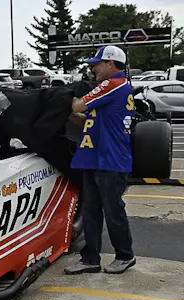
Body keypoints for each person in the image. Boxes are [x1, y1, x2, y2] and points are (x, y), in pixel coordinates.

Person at [64, 45, 136, 275]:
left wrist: (62, 99)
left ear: (111, 64)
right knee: (90, 211)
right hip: (94, 157)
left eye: (97, 64)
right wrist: (67, 113)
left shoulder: (112, 84)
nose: (93, 68)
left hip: (110, 159)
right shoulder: (112, 89)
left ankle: (125, 255)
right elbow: (87, 119)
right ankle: (90, 259)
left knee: (113, 211)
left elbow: (77, 105)